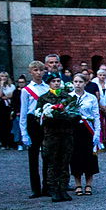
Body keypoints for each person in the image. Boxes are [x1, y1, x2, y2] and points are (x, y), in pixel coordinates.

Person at [36, 72, 78, 202]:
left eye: (58, 81)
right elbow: (38, 116)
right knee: (52, 163)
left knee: (64, 163)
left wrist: (69, 116)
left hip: (66, 134)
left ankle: (63, 189)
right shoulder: (43, 98)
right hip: (51, 135)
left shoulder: (68, 97)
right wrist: (50, 115)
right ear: (49, 83)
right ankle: (53, 190)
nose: (56, 83)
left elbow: (76, 113)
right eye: (53, 81)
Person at [19, 60, 49, 197]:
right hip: (32, 122)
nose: (38, 73)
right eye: (35, 70)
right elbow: (24, 112)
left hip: (45, 121)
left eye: (40, 70)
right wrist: (24, 133)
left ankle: (47, 186)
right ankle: (35, 188)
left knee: (47, 155)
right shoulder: (26, 91)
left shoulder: (47, 88)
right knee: (33, 156)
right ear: (31, 72)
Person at [70, 73, 100, 195]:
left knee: (89, 157)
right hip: (74, 129)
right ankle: (77, 184)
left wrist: (97, 132)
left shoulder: (91, 97)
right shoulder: (69, 97)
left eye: (80, 82)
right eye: (76, 82)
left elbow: (96, 115)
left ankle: (88, 184)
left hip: (88, 129)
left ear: (85, 83)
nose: (78, 84)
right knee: (75, 157)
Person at [0, 72, 16, 149]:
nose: (4, 78)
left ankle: (11, 142)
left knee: (10, 124)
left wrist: (6, 97)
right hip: (1, 107)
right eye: (2, 76)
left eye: (5, 76)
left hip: (9, 106)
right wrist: (1, 86)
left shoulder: (12, 86)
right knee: (2, 124)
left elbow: (12, 95)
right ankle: (4, 142)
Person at [10, 75, 26, 150]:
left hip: (26, 111)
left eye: (22, 82)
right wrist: (16, 111)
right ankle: (19, 143)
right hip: (18, 112)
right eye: (19, 82)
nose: (21, 84)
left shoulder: (27, 90)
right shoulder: (16, 92)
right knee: (17, 127)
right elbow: (13, 102)